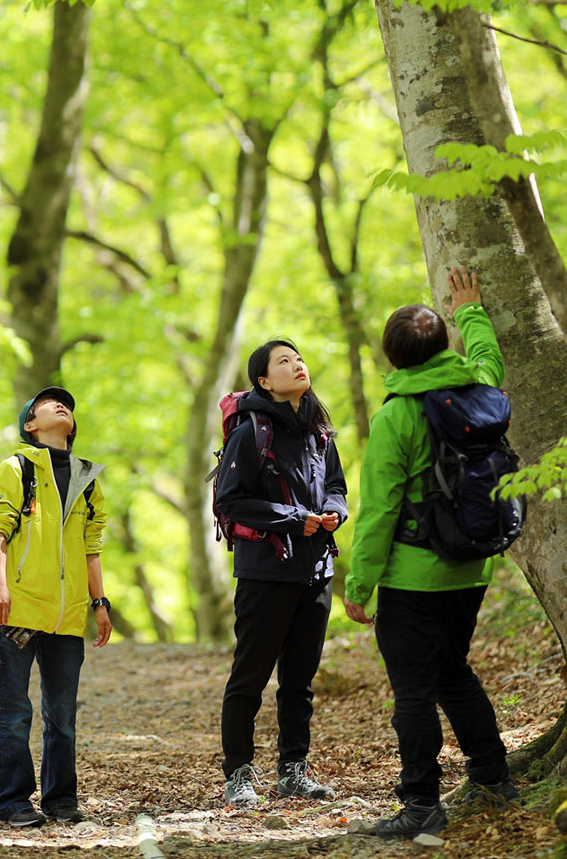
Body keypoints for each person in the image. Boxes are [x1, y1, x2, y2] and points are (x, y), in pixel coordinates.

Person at [343, 266, 520, 841]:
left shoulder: (397, 416)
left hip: (413, 577)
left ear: (392, 360)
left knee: (414, 691)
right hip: (472, 567)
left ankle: (420, 804)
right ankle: (493, 778)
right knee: (453, 672)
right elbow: (490, 356)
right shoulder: (482, 394)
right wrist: (469, 308)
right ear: (444, 346)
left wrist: (358, 586)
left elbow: (378, 513)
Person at [214, 339, 348, 809]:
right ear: (264, 381)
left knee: (300, 681)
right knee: (249, 678)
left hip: (316, 570)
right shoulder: (250, 433)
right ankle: (238, 775)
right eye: (283, 362)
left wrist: (333, 512)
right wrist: (294, 518)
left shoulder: (320, 432)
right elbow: (230, 501)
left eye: (299, 358)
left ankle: (293, 771)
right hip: (265, 573)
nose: (297, 365)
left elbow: (335, 487)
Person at [0, 385, 111, 828]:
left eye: (68, 406)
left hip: (68, 613)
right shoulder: (16, 468)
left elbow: (91, 548)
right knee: (13, 712)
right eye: (49, 404)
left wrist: (99, 603)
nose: (63, 407)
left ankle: (60, 800)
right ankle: (12, 802)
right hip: (14, 609)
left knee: (63, 715)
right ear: (30, 425)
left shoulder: (87, 480)